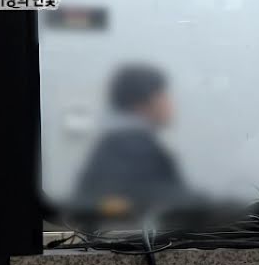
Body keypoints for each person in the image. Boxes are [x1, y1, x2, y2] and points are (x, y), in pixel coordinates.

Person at [74, 64, 191, 217]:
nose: (171, 104)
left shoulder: (116, 143)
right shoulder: (134, 149)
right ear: (145, 102)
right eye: (164, 96)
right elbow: (172, 203)